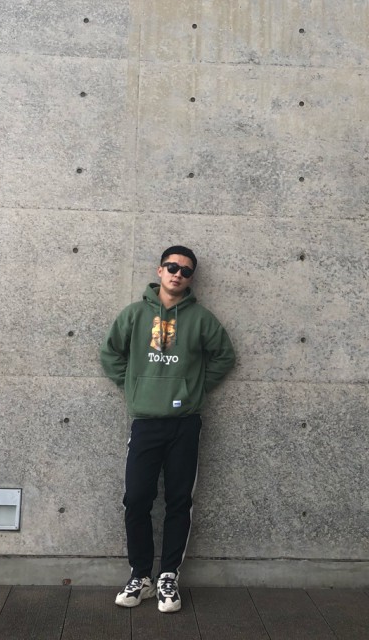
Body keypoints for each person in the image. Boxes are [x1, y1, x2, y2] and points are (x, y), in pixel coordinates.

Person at [100, 245, 236, 613]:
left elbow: (225, 356)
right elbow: (110, 353)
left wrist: (195, 389)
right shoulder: (134, 315)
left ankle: (168, 577)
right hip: (146, 422)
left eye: (186, 270)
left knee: (179, 501)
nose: (178, 274)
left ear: (191, 278)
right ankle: (141, 576)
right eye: (172, 267)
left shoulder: (201, 319)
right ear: (160, 271)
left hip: (184, 424)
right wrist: (132, 386)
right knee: (136, 499)